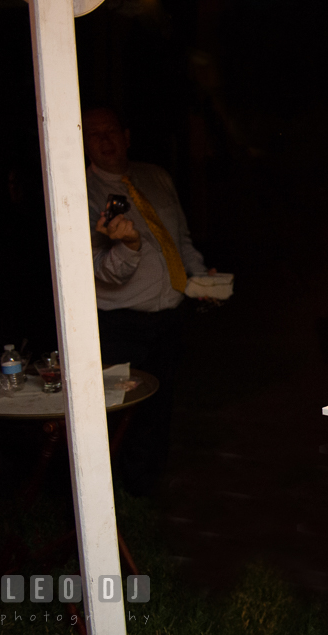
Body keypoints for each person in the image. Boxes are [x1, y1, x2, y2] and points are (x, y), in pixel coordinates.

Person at [82, 106, 214, 496]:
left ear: (126, 135)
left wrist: (200, 276)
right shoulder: (82, 194)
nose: (105, 141)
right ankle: (110, 497)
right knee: (119, 411)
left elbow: (179, 238)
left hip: (168, 316)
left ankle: (149, 487)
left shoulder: (156, 177)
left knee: (161, 404)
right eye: (94, 135)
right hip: (120, 323)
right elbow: (100, 270)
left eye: (110, 132)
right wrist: (129, 246)